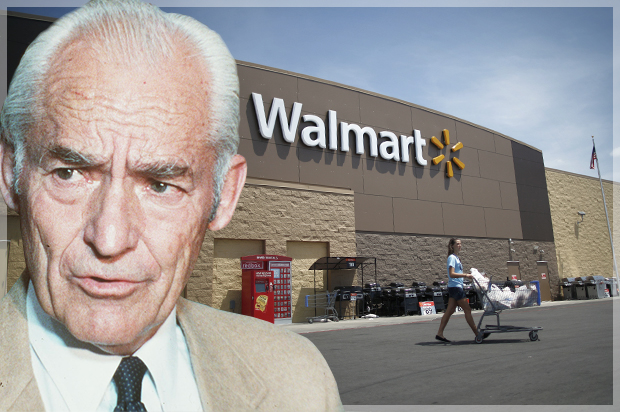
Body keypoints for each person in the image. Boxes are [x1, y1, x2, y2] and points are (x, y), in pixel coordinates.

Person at [0, 1, 343, 411]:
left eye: (161, 185)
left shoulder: (298, 382)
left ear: (224, 196)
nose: (109, 239)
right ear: (10, 176)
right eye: (68, 173)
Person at [435, 238, 486, 343]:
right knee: (467, 309)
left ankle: (439, 333)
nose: (459, 245)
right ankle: (477, 333)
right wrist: (466, 275)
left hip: (456, 287)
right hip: (456, 287)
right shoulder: (452, 258)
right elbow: (452, 274)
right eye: (457, 244)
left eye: (460, 244)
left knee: (450, 311)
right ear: (452, 246)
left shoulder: (457, 258)